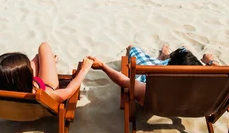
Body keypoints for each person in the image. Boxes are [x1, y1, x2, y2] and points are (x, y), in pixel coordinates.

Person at [0, 42, 93, 128]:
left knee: (35, 58)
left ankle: (49, 62)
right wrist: (84, 69)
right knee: (43, 47)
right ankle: (50, 63)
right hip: (44, 86)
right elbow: (69, 91)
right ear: (26, 77)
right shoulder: (45, 94)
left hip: (16, 100)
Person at [88, 44, 219, 106]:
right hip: (188, 98)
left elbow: (123, 81)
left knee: (132, 48)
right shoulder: (209, 86)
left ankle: (164, 57)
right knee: (185, 51)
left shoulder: (151, 89)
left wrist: (102, 66)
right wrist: (211, 62)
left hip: (157, 76)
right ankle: (165, 56)